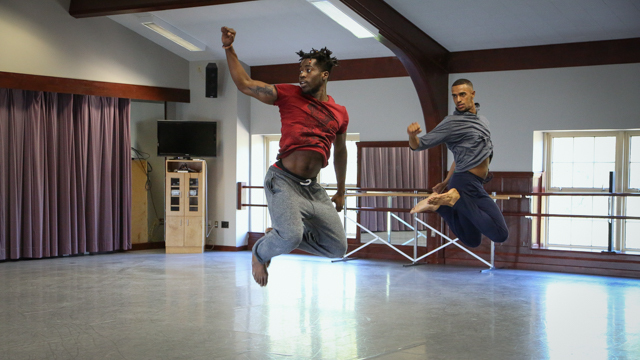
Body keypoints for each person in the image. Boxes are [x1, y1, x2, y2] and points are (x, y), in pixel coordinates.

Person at [221, 26, 349, 286]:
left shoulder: (340, 113)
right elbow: (244, 84)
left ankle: (282, 234)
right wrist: (228, 48)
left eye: (308, 70)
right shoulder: (288, 94)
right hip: (283, 181)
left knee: (338, 248)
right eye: (300, 70)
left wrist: (341, 190)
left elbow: (341, 152)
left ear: (324, 75)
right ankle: (260, 252)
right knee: (290, 236)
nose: (302, 74)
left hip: (313, 189)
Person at [406, 79, 508, 248]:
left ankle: (440, 207)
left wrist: (445, 182)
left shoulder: (482, 121)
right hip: (465, 184)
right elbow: (419, 145)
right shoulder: (452, 123)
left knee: (472, 240)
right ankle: (454, 200)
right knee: (500, 234)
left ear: (472, 94)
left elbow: (458, 158)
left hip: (471, 183)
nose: (458, 99)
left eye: (462, 94)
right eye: (454, 96)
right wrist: (412, 136)